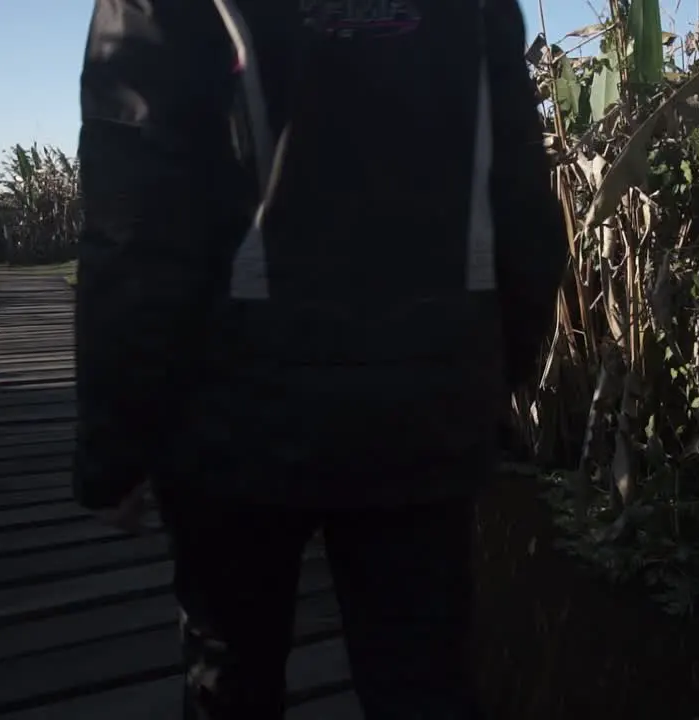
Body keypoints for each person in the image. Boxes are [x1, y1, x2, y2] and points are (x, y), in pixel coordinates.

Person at [74, 1, 568, 718]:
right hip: (423, 410)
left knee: (232, 683)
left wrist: (114, 448)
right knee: (422, 685)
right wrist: (494, 374)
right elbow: (520, 197)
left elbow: (136, 223)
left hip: (232, 423)